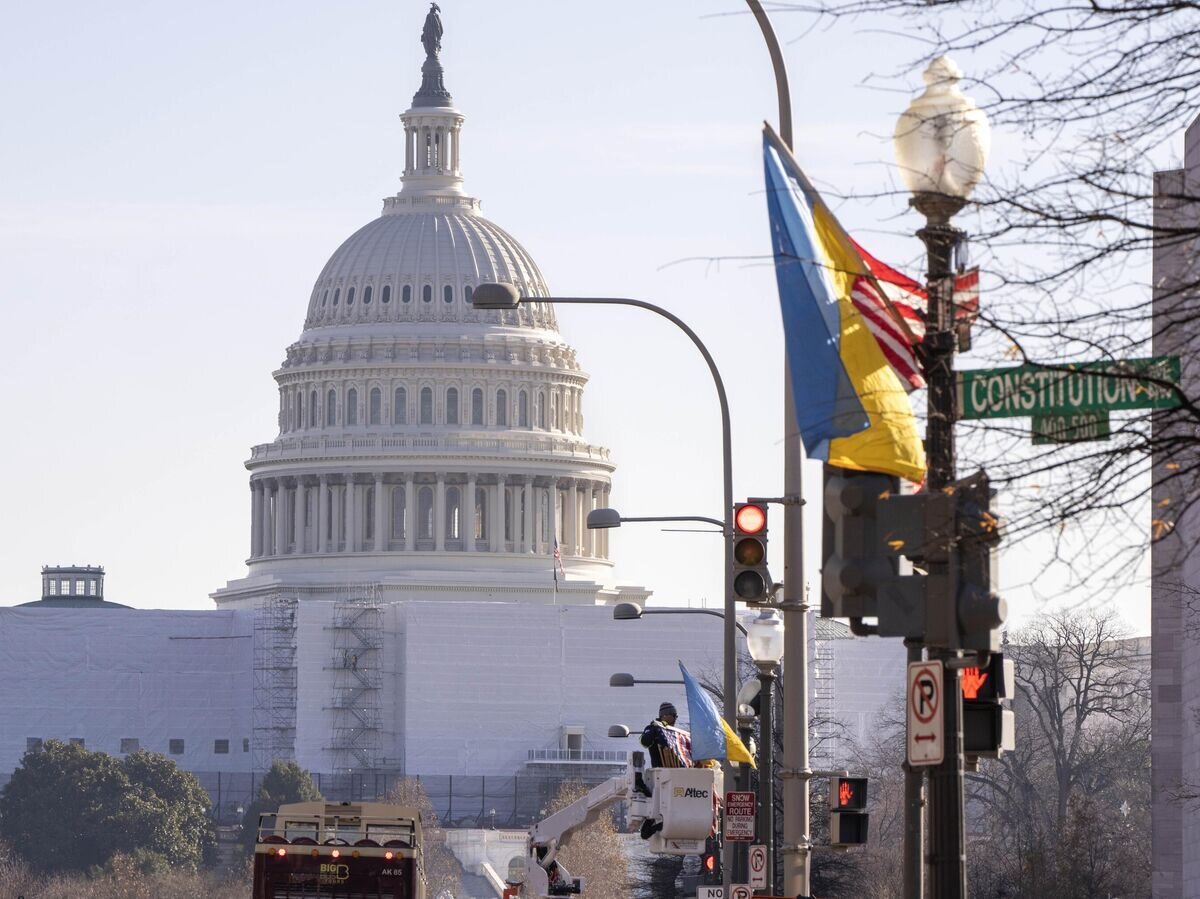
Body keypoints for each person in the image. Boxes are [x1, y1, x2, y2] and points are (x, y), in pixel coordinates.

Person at [641, 702, 693, 769]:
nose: (675, 718)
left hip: (678, 771)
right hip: (661, 772)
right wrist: (656, 730)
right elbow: (644, 742)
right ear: (665, 715)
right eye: (674, 715)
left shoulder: (675, 733)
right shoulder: (653, 728)